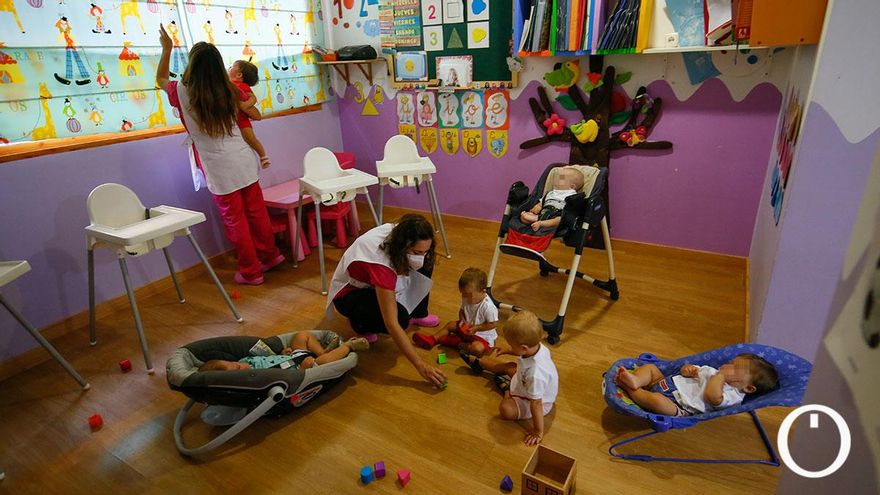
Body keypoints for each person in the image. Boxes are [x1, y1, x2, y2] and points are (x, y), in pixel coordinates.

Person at [156, 25, 284, 285]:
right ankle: (270, 257)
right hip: (243, 159)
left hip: (218, 167)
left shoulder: (181, 91)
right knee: (256, 213)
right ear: (218, 67)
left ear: (192, 66)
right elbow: (249, 102)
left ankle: (251, 272)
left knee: (235, 221)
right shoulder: (229, 89)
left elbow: (159, 80)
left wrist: (167, 49)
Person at [328, 214, 447, 388]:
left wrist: (420, 256)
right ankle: (360, 324)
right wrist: (421, 366)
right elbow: (391, 323)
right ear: (403, 246)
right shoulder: (380, 264)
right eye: (416, 252)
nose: (421, 256)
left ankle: (419, 312)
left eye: (425, 251)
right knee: (400, 319)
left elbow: (416, 259)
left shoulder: (403, 232)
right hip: (349, 293)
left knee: (426, 264)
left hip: (370, 282)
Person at [460, 311, 558, 446]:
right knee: (509, 366)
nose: (510, 348)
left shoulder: (536, 374)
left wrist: (538, 431)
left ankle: (506, 390)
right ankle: (478, 363)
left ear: (523, 347)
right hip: (525, 382)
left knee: (505, 410)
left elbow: (536, 404)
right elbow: (522, 353)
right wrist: (508, 350)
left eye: (512, 346)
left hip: (536, 401)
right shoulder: (538, 347)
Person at [614, 354, 779, 416]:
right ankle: (636, 380)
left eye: (735, 368)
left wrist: (720, 376)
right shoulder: (711, 371)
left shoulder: (733, 396)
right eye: (731, 363)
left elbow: (711, 396)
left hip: (678, 405)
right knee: (650, 369)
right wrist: (688, 370)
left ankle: (630, 389)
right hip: (667, 382)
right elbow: (686, 372)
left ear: (748, 388)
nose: (728, 366)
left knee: (657, 402)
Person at [411, 267, 499, 356]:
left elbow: (493, 324)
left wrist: (477, 328)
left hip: (482, 336)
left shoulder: (488, 307)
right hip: (467, 330)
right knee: (451, 325)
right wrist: (462, 320)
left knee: (477, 349)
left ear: (483, 291)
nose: (464, 297)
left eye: (468, 295)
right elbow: (462, 311)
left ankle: (458, 343)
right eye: (463, 294)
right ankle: (433, 339)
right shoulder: (467, 298)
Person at [199, 334, 370, 371]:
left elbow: (268, 356)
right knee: (317, 364)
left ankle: (322, 351)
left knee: (302, 336)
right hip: (297, 370)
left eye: (235, 364)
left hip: (291, 356)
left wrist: (283, 351)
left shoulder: (246, 359)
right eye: (237, 369)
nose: (240, 365)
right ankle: (349, 346)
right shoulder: (253, 377)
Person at [227, 60, 271, 168]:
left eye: (232, 66)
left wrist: (245, 105)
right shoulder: (228, 85)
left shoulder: (242, 85)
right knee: (245, 140)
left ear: (239, 74)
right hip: (233, 120)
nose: (229, 68)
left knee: (251, 138)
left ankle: (263, 157)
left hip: (242, 119)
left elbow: (253, 98)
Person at [519, 166, 585, 232]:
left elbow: (574, 207)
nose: (556, 180)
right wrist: (538, 206)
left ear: (572, 186)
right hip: (544, 213)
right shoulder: (551, 193)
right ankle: (537, 220)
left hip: (557, 215)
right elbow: (543, 201)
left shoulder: (572, 194)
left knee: (559, 220)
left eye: (561, 178)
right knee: (524, 217)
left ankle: (541, 223)